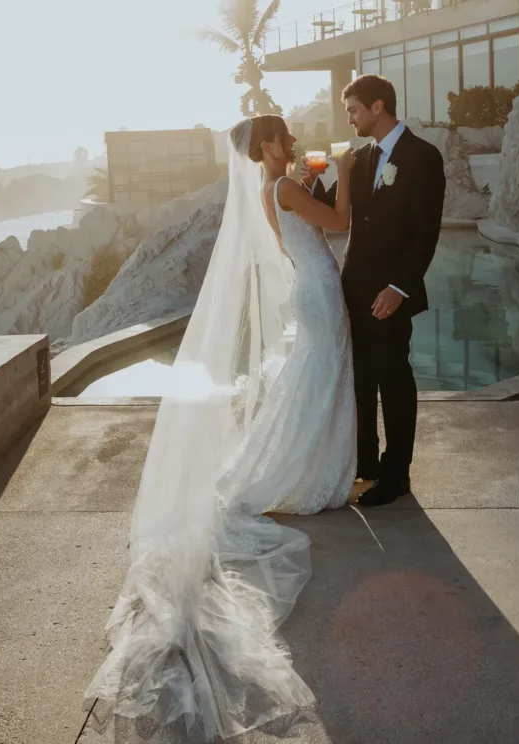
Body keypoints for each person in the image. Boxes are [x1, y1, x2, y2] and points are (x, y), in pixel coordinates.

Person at [84, 115, 357, 742]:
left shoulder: (274, 190)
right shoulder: (284, 187)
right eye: (284, 138)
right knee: (317, 380)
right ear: (265, 148)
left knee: (314, 381)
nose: (292, 144)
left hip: (313, 282)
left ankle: (308, 463)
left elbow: (297, 241)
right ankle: (300, 471)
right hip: (319, 285)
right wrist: (341, 176)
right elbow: (338, 225)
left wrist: (311, 186)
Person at [305, 74, 445, 507]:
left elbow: (425, 233)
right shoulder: (359, 159)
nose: (349, 119)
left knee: (394, 379)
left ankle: (396, 474)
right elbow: (328, 208)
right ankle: (366, 463)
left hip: (390, 294)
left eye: (353, 110)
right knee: (360, 380)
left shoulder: (423, 157)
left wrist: (399, 288)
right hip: (353, 288)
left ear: (377, 106)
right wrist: (314, 177)